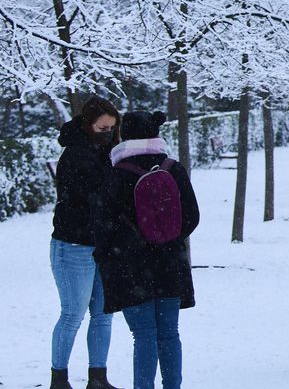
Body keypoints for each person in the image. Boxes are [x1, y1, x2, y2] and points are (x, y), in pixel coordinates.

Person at [95, 111, 200, 389]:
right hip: (170, 264)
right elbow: (192, 217)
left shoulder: (116, 173)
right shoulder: (172, 168)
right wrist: (167, 237)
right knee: (168, 334)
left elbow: (103, 225)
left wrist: (119, 250)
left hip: (130, 267)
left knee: (143, 336)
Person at [50, 97, 123, 389]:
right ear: (88, 124)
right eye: (102, 127)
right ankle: (59, 378)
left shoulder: (111, 153)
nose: (107, 132)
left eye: (111, 128)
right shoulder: (74, 155)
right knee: (72, 314)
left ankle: (98, 378)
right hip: (73, 245)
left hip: (104, 244)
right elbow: (76, 198)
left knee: (104, 314)